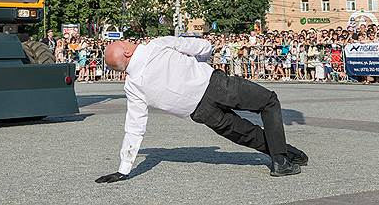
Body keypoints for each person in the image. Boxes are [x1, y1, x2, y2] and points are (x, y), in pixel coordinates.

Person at [95, 36, 307, 183]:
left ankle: (291, 154)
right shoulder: (156, 46)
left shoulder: (132, 86)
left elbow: (134, 127)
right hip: (214, 85)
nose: (129, 40)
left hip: (201, 112)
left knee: (248, 135)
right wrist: (196, 64)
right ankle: (280, 161)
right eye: (124, 41)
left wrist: (124, 169)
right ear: (126, 51)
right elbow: (203, 46)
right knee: (268, 101)